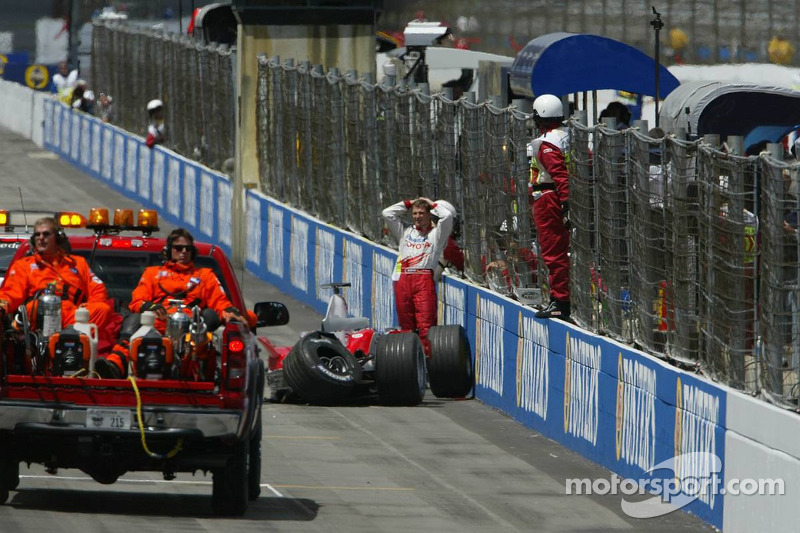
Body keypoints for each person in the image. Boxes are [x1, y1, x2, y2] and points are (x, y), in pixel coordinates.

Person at [96, 228, 246, 378]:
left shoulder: (205, 276)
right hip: (157, 323)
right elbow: (137, 301)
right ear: (169, 251)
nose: (183, 252)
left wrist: (229, 311)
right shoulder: (152, 274)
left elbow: (220, 301)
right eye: (178, 248)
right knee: (134, 319)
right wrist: (150, 306)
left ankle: (200, 372)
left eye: (188, 249)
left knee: (210, 319)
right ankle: (115, 365)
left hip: (192, 330)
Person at [0, 217, 118, 350]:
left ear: (58, 238)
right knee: (41, 305)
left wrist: (86, 307)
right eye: (37, 235)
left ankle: (75, 344)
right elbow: (10, 293)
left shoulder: (78, 264)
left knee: (102, 308)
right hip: (38, 316)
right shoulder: (23, 266)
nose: (41, 238)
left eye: (46, 234)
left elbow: (98, 290)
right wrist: (3, 306)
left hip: (74, 316)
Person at [382, 197, 453, 355]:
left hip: (424, 280)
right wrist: (409, 202)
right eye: (414, 213)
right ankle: (407, 360)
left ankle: (427, 362)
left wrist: (432, 204)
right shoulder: (405, 232)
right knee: (405, 326)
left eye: (421, 213)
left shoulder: (437, 235)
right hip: (404, 279)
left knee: (426, 326)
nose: (417, 216)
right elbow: (387, 213)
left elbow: (447, 217)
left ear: (429, 214)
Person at [529, 94, 571, 319]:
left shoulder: (548, 144)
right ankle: (562, 298)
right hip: (560, 198)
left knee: (554, 253)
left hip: (549, 199)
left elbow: (560, 176)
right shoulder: (570, 136)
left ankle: (560, 302)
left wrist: (565, 205)